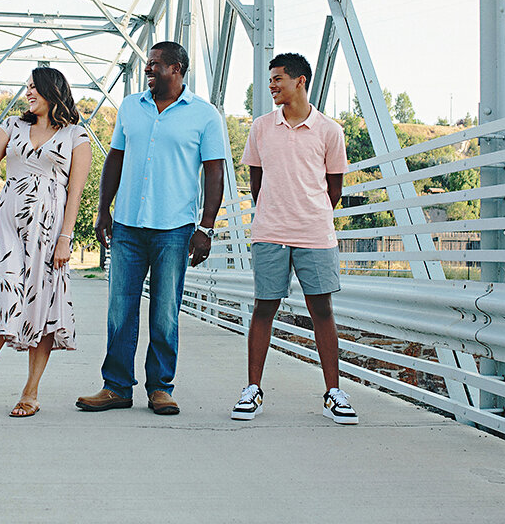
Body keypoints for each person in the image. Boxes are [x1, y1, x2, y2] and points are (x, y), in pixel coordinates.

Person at [77, 41, 225, 416]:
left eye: (155, 64)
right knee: (119, 310)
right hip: (127, 224)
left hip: (175, 228)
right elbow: (115, 158)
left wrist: (206, 227)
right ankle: (116, 387)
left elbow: (214, 172)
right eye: (147, 64)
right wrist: (102, 211)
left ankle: (160, 388)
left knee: (165, 311)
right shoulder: (130, 107)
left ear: (176, 69)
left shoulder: (205, 116)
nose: (148, 69)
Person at [0, 67, 91, 418]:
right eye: (26, 88)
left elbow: (76, 192)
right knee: (3, 298)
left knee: (43, 304)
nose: (28, 93)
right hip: (9, 222)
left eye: (34, 88)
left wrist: (66, 238)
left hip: (51, 228)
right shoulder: (12, 126)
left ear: (52, 91)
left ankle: (31, 391)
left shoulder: (75, 135)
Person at [230, 53, 358, 424]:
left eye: (278, 79)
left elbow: (333, 187)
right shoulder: (260, 127)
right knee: (263, 307)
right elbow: (256, 182)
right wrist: (275, 212)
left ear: (300, 81)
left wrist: (308, 213)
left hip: (315, 235)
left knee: (322, 311)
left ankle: (333, 393)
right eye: (271, 79)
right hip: (270, 232)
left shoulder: (330, 131)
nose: (271, 85)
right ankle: (252, 390)